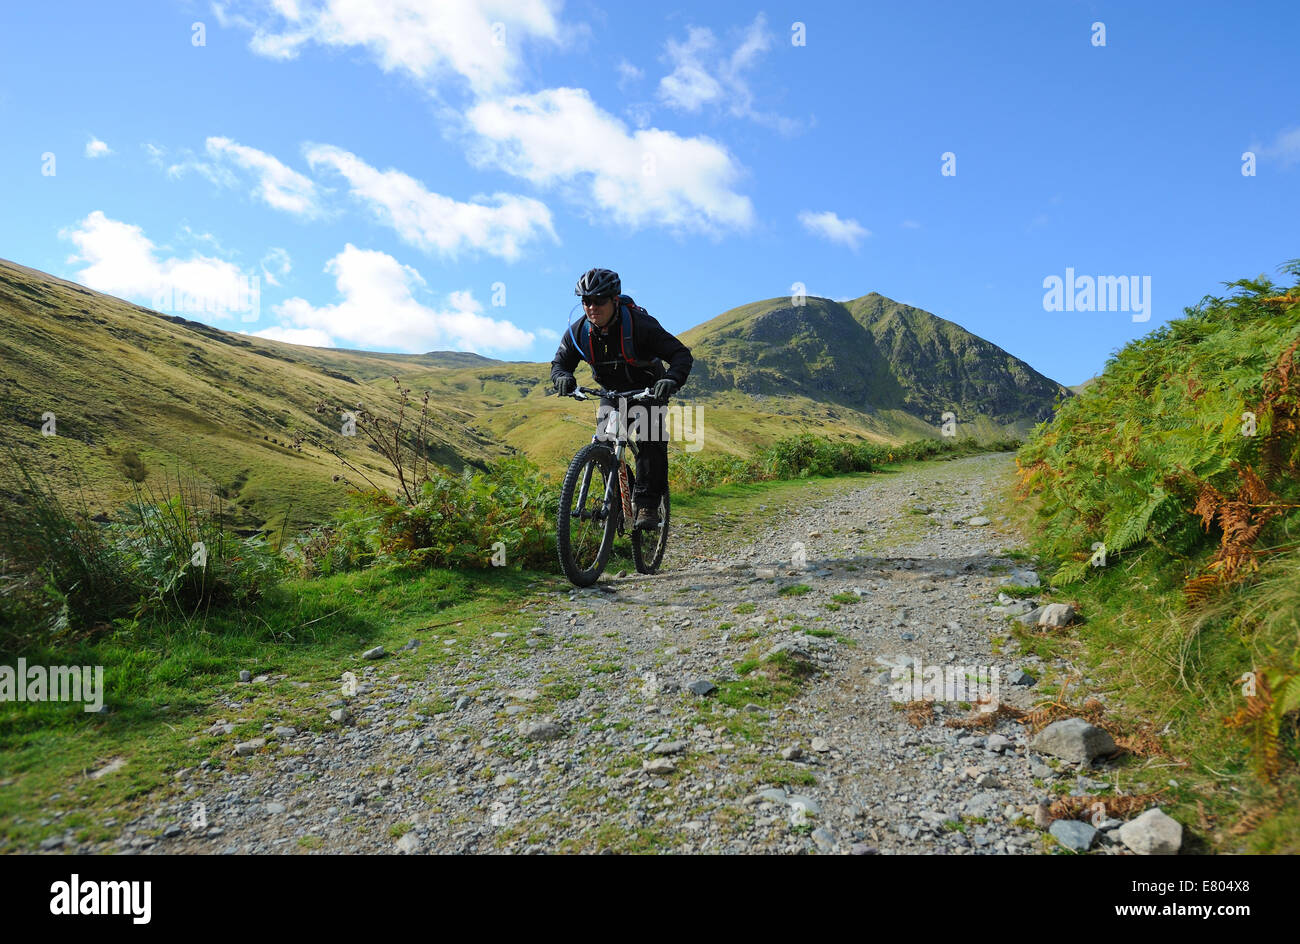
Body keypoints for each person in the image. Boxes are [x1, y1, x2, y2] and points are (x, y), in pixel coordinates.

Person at [551, 268, 693, 528]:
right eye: (586, 301)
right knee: (604, 443)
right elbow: (560, 363)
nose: (592, 307)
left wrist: (670, 380)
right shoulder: (579, 331)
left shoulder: (641, 326)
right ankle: (620, 498)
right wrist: (562, 377)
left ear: (614, 300)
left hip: (649, 389)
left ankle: (648, 505)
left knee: (650, 437)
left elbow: (681, 354)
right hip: (612, 394)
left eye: (599, 300)